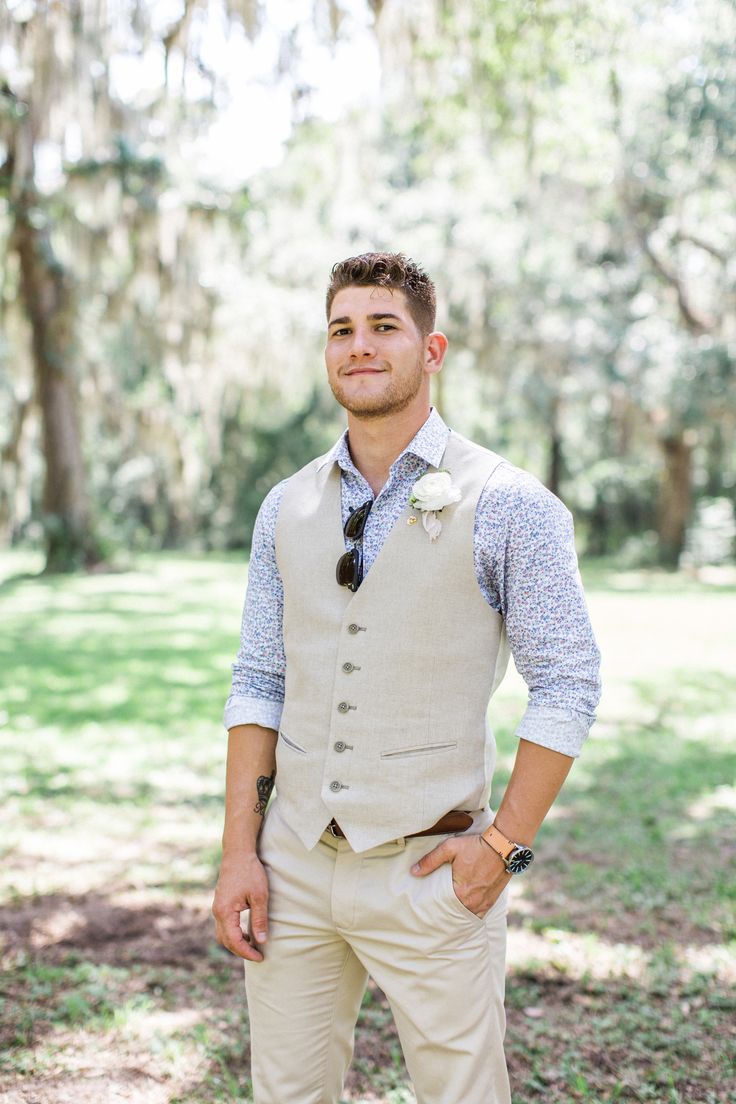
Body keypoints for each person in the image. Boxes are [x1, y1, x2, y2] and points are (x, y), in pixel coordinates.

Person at [211, 251, 602, 1104]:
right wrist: (241, 851)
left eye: (384, 326)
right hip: (294, 869)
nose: (359, 345)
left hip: (434, 871)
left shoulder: (510, 503)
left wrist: (501, 850)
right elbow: (259, 678)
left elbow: (569, 681)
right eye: (341, 330)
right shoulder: (285, 505)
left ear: (432, 350)